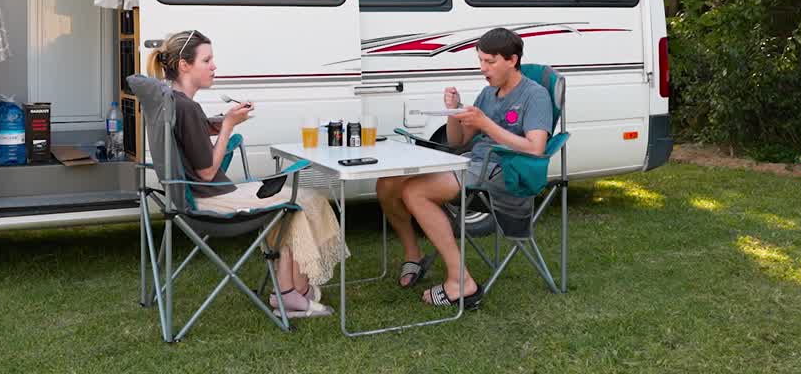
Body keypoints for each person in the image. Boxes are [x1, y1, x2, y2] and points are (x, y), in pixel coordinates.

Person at [148, 29, 346, 318]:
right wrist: (228, 125)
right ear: (184, 65)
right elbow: (206, 172)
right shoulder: (187, 107)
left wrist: (217, 123)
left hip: (191, 196)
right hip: (208, 200)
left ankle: (292, 290)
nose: (214, 66)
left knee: (302, 198)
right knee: (300, 202)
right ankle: (292, 293)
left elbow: (192, 136)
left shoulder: (170, 100)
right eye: (207, 60)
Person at [375, 27, 552, 307]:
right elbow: (459, 141)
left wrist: (486, 124)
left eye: (490, 61)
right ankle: (413, 255)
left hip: (506, 172)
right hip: (473, 164)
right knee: (387, 184)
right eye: (481, 61)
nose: (483, 68)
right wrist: (455, 112)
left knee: (415, 192)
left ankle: (461, 281)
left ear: (512, 60)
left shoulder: (535, 95)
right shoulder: (487, 93)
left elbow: (535, 148)